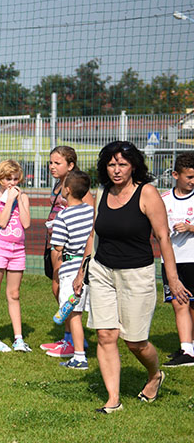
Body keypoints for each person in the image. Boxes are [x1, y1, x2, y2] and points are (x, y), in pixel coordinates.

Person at [75, 141, 190, 413]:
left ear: (133, 166)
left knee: (135, 342)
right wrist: (82, 271)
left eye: (122, 164)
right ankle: (113, 399)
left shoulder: (147, 193)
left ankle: (154, 374)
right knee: (105, 334)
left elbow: (163, 237)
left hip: (137, 274)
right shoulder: (102, 194)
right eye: (112, 164)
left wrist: (172, 280)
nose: (116, 170)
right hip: (102, 271)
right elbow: (94, 235)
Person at [42, 146, 96, 357]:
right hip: (56, 243)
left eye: (58, 163)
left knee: (66, 294)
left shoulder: (79, 190)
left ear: (71, 165)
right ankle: (70, 338)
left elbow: (89, 224)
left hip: (70, 252)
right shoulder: (59, 185)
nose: (52, 167)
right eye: (51, 162)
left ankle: (72, 341)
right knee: (58, 291)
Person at [0, 159, 32, 353]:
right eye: (7, 179)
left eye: (15, 178)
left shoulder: (23, 197)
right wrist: (9, 200)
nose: (12, 183)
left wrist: (19, 200)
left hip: (18, 250)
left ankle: (18, 338)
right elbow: (2, 222)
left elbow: (26, 223)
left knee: (14, 293)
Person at [49, 171, 94, 369]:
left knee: (74, 314)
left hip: (71, 268)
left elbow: (58, 246)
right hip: (91, 267)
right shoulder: (91, 212)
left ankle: (79, 356)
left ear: (67, 190)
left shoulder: (63, 216)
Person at [162, 152, 194, 368]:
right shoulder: (164, 199)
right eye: (189, 177)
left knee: (192, 304)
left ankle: (190, 347)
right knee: (179, 302)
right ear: (175, 175)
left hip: (192, 259)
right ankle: (186, 349)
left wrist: (191, 227)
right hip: (171, 261)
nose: (192, 181)